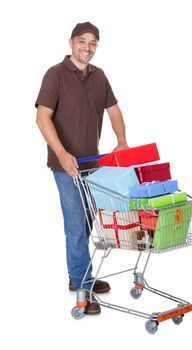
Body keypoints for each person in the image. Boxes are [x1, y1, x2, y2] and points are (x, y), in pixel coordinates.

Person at [35, 22, 128, 315]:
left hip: (93, 165)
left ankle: (79, 274)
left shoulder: (99, 77)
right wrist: (61, 154)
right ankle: (83, 288)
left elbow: (114, 110)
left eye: (93, 42)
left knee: (88, 222)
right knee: (76, 226)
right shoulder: (55, 74)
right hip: (66, 166)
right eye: (82, 41)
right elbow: (42, 118)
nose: (87, 47)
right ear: (71, 42)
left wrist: (122, 141)